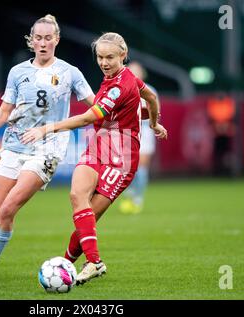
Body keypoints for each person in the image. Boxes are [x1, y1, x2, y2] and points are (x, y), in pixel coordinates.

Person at [22, 32, 167, 285]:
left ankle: (81, 261)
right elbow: (151, 99)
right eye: (100, 57)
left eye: (110, 57)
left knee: (89, 216)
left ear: (123, 55)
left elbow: (89, 118)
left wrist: (47, 128)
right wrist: (154, 123)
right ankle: (88, 263)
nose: (104, 62)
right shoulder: (121, 78)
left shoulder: (121, 85)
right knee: (78, 197)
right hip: (100, 144)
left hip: (121, 156)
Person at [0, 14, 95, 286]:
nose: (43, 43)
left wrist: (124, 113)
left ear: (57, 40)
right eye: (37, 38)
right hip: (14, 145)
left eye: (48, 38)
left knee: (7, 209)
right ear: (31, 40)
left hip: (47, 149)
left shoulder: (70, 72)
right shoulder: (17, 72)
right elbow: (4, 113)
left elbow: (96, 105)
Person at [119, 61, 160, 214]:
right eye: (132, 71)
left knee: (141, 169)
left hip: (145, 133)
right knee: (127, 168)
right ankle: (129, 195)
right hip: (127, 134)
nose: (135, 74)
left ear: (142, 74)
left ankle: (138, 199)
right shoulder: (122, 89)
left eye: (137, 71)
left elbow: (156, 113)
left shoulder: (150, 90)